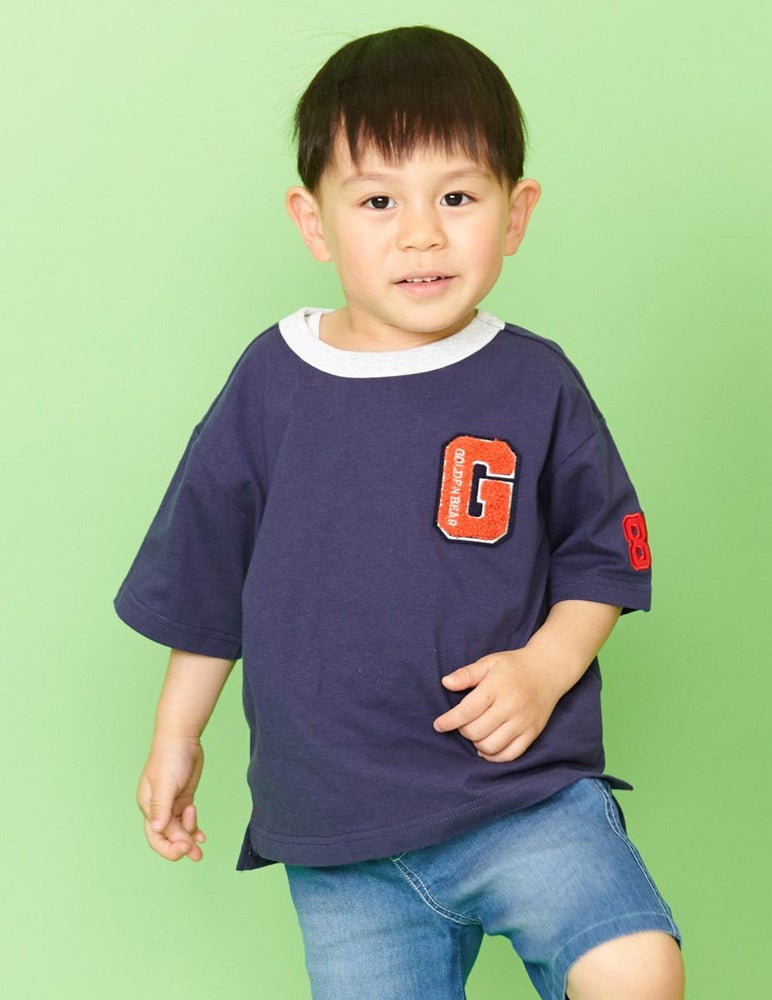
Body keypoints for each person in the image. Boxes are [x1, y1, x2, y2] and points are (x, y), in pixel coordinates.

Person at [115, 25, 684, 1000]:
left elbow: (602, 556)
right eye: (378, 201)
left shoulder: (535, 382)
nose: (421, 233)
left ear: (514, 212)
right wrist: (177, 736)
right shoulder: (272, 382)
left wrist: (545, 667)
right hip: (340, 835)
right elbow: (204, 574)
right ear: (313, 222)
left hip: (520, 794)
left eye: (457, 198)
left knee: (635, 966)